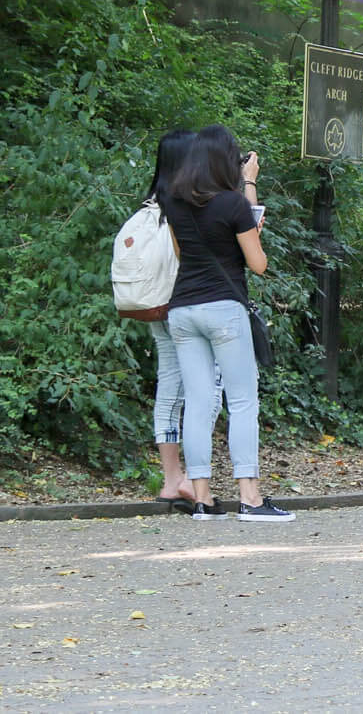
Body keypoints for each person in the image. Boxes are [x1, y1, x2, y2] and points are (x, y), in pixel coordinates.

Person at [163, 124, 289, 521]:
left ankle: (203, 499)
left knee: (198, 404)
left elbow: (183, 255)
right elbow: (259, 264)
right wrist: (250, 218)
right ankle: (250, 498)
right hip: (224, 310)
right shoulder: (234, 204)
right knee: (242, 401)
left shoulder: (173, 201)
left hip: (183, 311)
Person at [143, 129, 200, 510]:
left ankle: (170, 479)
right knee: (203, 390)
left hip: (153, 305)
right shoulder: (188, 204)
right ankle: (197, 481)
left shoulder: (149, 206)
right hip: (186, 304)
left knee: (169, 388)